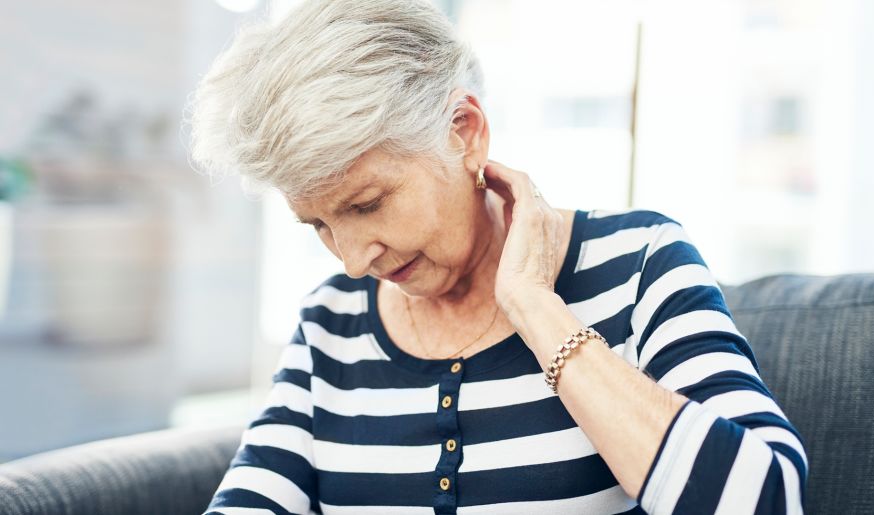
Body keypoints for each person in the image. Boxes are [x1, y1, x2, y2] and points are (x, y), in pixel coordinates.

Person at [189, 1, 808, 513]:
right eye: (318, 224)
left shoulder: (640, 261)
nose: (352, 261)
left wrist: (536, 309)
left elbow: (763, 497)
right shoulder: (332, 321)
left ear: (463, 130)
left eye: (368, 204)